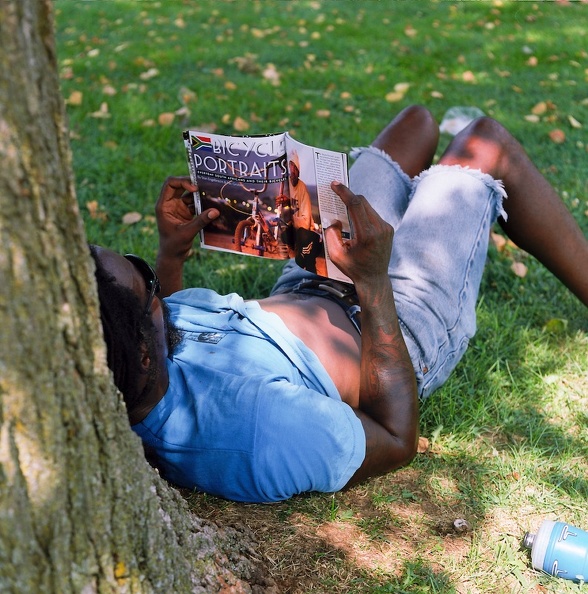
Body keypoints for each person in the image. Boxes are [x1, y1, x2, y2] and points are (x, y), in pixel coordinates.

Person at [91, 105, 588, 503]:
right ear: (139, 352)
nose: (166, 300)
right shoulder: (259, 429)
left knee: (415, 124)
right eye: (150, 287)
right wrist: (372, 281)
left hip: (312, 281)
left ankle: (432, 185)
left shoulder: (138, 362)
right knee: (486, 141)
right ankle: (451, 186)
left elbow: (172, 339)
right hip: (395, 325)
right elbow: (395, 440)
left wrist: (169, 253)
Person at [288, 150, 321, 273]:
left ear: (298, 170)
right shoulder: (288, 185)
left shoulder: (302, 188)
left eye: (294, 169)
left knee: (307, 264)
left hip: (307, 234)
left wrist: (290, 219)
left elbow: (306, 222)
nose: (292, 172)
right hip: (295, 232)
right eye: (290, 169)